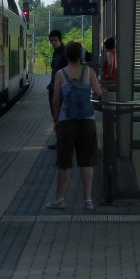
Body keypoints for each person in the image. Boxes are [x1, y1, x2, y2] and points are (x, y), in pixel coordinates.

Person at [46, 41, 102, 210]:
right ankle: (88, 201)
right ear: (81, 56)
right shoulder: (89, 72)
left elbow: (56, 100)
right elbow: (98, 93)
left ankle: (60, 199)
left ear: (66, 56)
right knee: (86, 162)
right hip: (87, 121)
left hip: (66, 122)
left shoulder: (61, 74)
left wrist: (55, 120)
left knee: (64, 162)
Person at [46, 30, 69, 149]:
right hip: (53, 88)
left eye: (55, 40)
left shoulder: (65, 53)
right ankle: (60, 141)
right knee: (56, 116)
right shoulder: (56, 53)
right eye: (51, 41)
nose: (53, 43)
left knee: (60, 116)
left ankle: (62, 142)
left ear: (60, 39)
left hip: (60, 90)